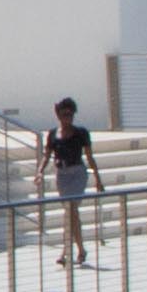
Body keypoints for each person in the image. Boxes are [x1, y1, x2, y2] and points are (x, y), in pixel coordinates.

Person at [41, 95, 97, 263]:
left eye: (71, 114)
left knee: (71, 210)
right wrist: (40, 171)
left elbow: (89, 156)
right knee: (71, 213)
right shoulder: (52, 134)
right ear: (58, 115)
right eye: (65, 114)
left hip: (77, 173)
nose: (68, 117)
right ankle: (80, 250)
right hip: (62, 174)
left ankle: (68, 251)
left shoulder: (81, 133)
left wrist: (98, 180)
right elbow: (47, 155)